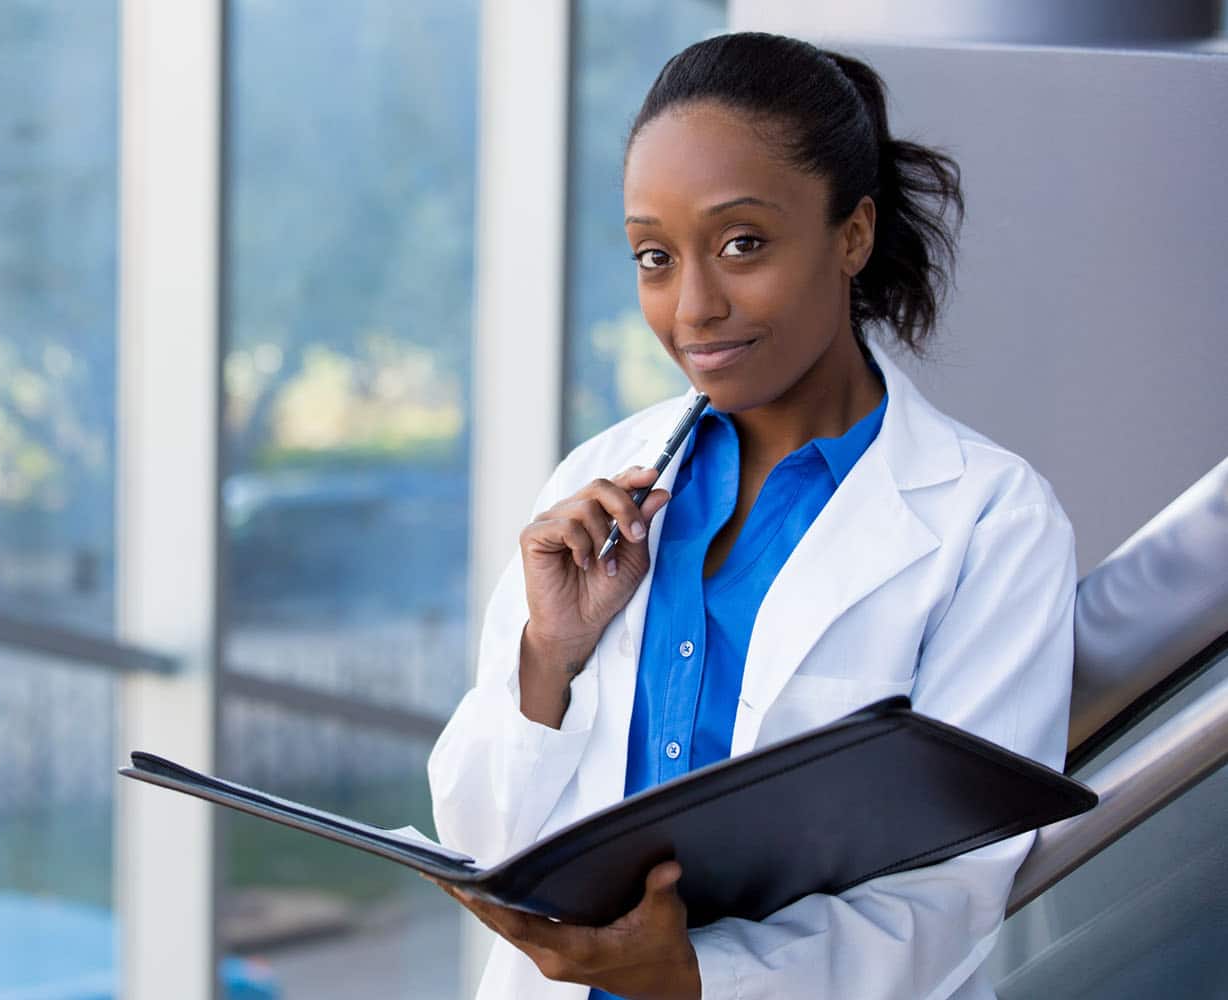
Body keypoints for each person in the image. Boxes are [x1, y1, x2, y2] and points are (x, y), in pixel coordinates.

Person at [425, 31, 1076, 1000]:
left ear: (851, 233)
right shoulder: (599, 478)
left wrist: (700, 977)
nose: (693, 307)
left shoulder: (991, 521)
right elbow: (482, 841)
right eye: (655, 255)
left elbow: (957, 891)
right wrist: (547, 659)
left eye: (742, 244)